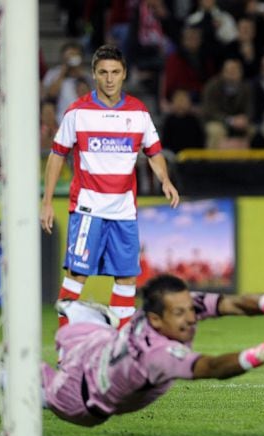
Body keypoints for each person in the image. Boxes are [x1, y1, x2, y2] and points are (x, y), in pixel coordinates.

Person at [0, 274, 264, 427]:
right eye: (180, 314)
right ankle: (83, 319)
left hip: (83, 393)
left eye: (190, 310)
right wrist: (261, 353)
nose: (190, 319)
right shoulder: (158, 352)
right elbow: (209, 366)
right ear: (154, 317)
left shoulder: (161, 327)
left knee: (26, 376)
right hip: (89, 364)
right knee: (71, 311)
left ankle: (1, 376)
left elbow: (227, 304)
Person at [41, 45, 180, 330]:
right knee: (76, 276)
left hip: (124, 212)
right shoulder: (77, 112)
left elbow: (154, 152)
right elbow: (57, 154)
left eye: (115, 72)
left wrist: (165, 180)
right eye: (103, 72)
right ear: (94, 75)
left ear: (124, 74)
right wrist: (46, 201)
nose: (109, 79)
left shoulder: (138, 113)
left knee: (127, 278)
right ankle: (66, 346)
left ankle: (119, 348)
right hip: (87, 209)